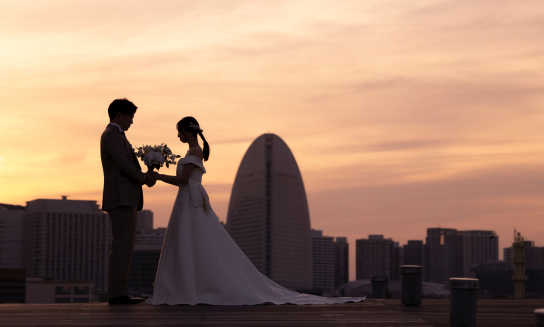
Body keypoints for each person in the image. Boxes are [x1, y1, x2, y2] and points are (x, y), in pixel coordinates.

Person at [147, 116, 363, 305]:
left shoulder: (195, 151)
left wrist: (158, 176)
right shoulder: (192, 151)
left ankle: (191, 288)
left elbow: (183, 179)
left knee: (193, 240)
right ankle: (188, 287)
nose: (178, 136)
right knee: (190, 241)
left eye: (179, 132)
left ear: (187, 131)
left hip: (189, 199)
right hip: (188, 199)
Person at [100, 98, 160, 305]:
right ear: (119, 115)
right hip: (121, 198)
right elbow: (124, 163)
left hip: (126, 198)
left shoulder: (117, 135)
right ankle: (117, 293)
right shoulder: (111, 135)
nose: (132, 121)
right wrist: (143, 178)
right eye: (130, 117)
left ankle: (120, 291)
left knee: (125, 247)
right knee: (121, 247)